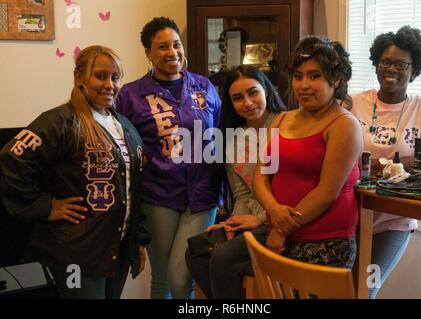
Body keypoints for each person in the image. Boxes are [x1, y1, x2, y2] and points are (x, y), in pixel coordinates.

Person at [0, 45, 150, 299]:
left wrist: (138, 240)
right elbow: (11, 158)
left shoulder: (124, 126)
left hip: (117, 248)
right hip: (76, 251)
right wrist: (46, 206)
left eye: (115, 77)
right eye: (100, 76)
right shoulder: (60, 121)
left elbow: (133, 187)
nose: (109, 85)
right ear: (79, 78)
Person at [115, 17, 222, 299]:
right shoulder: (130, 94)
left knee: (181, 276)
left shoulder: (204, 87)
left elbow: (220, 133)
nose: (172, 52)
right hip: (158, 194)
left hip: (203, 193)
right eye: (162, 47)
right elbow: (123, 143)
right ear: (149, 53)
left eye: (176, 44)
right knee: (163, 278)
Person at [350, 25, 421, 298]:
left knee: (366, 289)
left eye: (401, 64)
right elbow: (338, 152)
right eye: (386, 62)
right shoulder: (353, 102)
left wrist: (372, 163)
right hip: (349, 216)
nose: (391, 69)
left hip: (394, 222)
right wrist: (399, 162)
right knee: (340, 288)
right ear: (376, 64)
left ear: (414, 70)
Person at [253, 35, 362, 270]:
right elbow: (261, 176)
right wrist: (274, 212)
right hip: (278, 235)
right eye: (298, 76)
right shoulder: (281, 119)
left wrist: (281, 229)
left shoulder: (344, 124)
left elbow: (326, 193)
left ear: (336, 81)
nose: (303, 85)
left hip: (325, 242)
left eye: (315, 76)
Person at [186, 65, 286, 298]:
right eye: (238, 98)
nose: (248, 103)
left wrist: (259, 219)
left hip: (278, 220)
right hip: (251, 220)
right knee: (197, 252)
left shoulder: (286, 127)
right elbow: (242, 195)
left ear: (267, 91)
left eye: (253, 93)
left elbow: (293, 190)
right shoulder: (231, 139)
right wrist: (234, 222)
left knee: (223, 257)